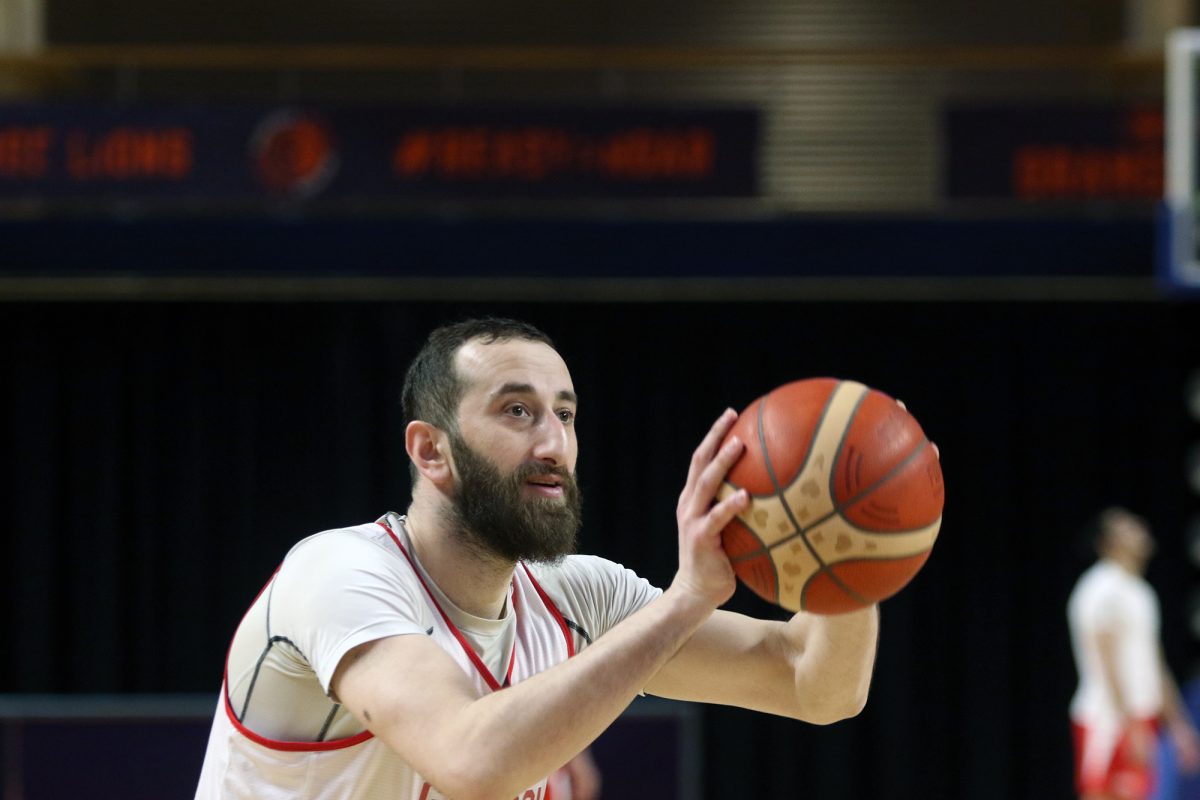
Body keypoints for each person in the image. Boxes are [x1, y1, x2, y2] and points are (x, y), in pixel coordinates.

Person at [195, 317, 881, 800]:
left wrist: (855, 547)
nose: (554, 444)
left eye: (566, 415)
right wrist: (686, 600)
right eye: (517, 412)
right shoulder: (338, 573)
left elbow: (813, 685)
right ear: (431, 450)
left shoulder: (579, 596)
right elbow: (471, 762)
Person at [1067, 507, 1200, 800]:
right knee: (1101, 793)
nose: (1141, 531)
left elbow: (1154, 664)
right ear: (1108, 542)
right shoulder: (1100, 588)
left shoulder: (1141, 592)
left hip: (1142, 716)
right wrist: (1128, 724)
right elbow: (1106, 660)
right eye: (1128, 528)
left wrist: (1178, 724)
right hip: (1106, 719)